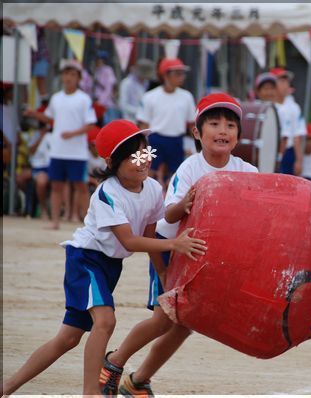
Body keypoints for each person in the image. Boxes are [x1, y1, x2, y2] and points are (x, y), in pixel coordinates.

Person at [1, 119, 205, 396]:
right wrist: (176, 244)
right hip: (86, 260)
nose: (143, 160)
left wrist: (162, 272)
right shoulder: (107, 193)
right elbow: (130, 240)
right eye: (133, 156)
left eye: (145, 151)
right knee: (106, 322)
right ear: (111, 162)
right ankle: (91, 392)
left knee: (68, 338)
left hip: (110, 265)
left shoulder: (154, 189)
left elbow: (149, 234)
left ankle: (7, 387)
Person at [99, 93, 258, 396]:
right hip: (172, 250)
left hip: (205, 258)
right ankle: (114, 362)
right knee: (163, 319)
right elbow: (167, 215)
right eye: (214, 123)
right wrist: (185, 203)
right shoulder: (190, 169)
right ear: (197, 133)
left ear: (238, 135)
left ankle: (138, 382)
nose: (223, 130)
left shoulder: (247, 172)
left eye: (230, 125)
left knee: (185, 325)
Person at [23, 59, 97, 230]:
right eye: (66, 74)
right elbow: (50, 118)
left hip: (77, 151)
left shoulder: (84, 99)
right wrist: (35, 114)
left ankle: (87, 222)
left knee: (81, 186)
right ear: (62, 76)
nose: (68, 78)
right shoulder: (56, 98)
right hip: (58, 150)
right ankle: (55, 221)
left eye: (72, 74)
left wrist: (73, 133)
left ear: (78, 78)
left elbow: (90, 123)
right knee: (56, 185)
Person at [136, 58, 196, 187]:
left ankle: (170, 205)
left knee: (176, 177)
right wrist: (141, 147)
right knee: (147, 174)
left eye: (182, 74)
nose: (181, 77)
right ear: (165, 75)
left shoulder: (187, 97)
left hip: (176, 141)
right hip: (155, 139)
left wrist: (196, 146)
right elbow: (143, 125)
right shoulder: (150, 96)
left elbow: (192, 125)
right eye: (177, 73)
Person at [271, 67, 305, 176]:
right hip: (270, 150)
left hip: (288, 154)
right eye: (281, 81)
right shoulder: (267, 106)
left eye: (287, 81)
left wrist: (299, 161)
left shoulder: (294, 107)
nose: (286, 84)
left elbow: (297, 136)